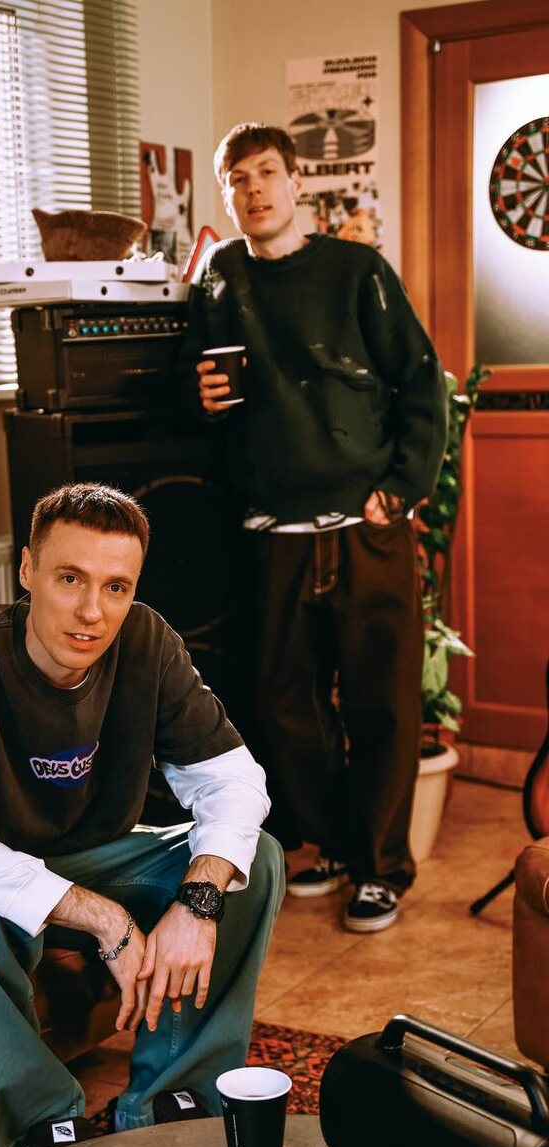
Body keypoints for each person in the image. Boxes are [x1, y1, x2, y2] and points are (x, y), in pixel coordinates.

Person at [0, 482, 283, 1147]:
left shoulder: (148, 643)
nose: (92, 611)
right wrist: (106, 919)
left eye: (116, 587)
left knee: (252, 860)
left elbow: (234, 781)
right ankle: (42, 1130)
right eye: (70, 578)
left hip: (87, 858)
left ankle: (175, 1100)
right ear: (27, 570)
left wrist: (198, 902)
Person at [176, 122, 448, 935]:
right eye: (238, 179)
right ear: (228, 196)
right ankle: (329, 844)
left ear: (297, 183)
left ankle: (381, 869)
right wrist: (200, 397)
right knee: (284, 707)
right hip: (274, 530)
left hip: (364, 525)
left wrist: (401, 490)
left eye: (267, 173)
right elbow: (203, 394)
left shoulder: (357, 271)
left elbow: (421, 381)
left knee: (381, 701)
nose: (254, 189)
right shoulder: (220, 280)